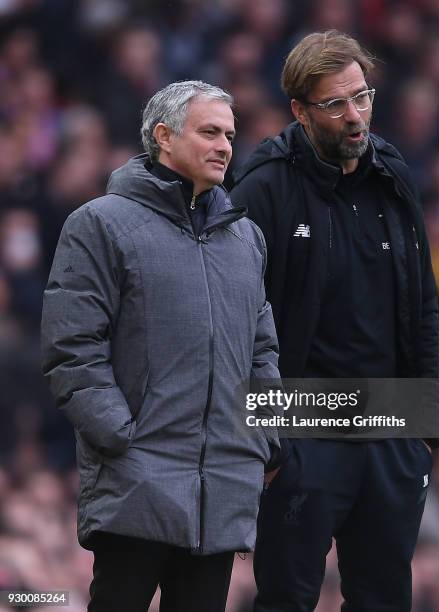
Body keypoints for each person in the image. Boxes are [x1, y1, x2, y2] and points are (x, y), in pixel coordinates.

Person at [41, 80, 282, 612]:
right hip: (136, 481)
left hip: (221, 486)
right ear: (164, 137)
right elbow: (73, 348)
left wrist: (263, 435)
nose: (224, 146)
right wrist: (121, 438)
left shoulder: (247, 239)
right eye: (210, 132)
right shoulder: (99, 223)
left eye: (230, 135)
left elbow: (262, 350)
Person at [231, 31, 439, 611]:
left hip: (391, 421)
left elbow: (423, 301)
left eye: (362, 97)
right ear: (300, 111)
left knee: (384, 599)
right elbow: (238, 324)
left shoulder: (394, 174)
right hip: (301, 424)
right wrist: (269, 445)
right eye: (336, 104)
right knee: (286, 599)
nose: (355, 116)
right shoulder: (263, 186)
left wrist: (425, 431)